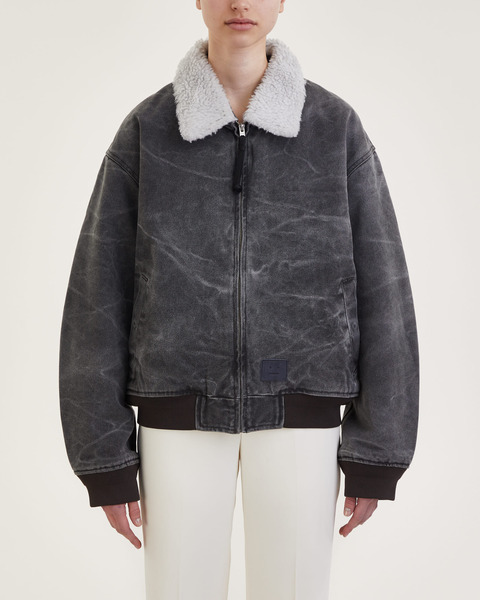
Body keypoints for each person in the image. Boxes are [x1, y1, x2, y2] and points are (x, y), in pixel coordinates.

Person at [59, 1, 419, 598]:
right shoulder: (149, 131)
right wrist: (104, 459)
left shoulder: (333, 129)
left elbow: (384, 285)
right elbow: (97, 292)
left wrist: (378, 450)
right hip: (177, 417)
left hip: (302, 416)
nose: (241, 2)